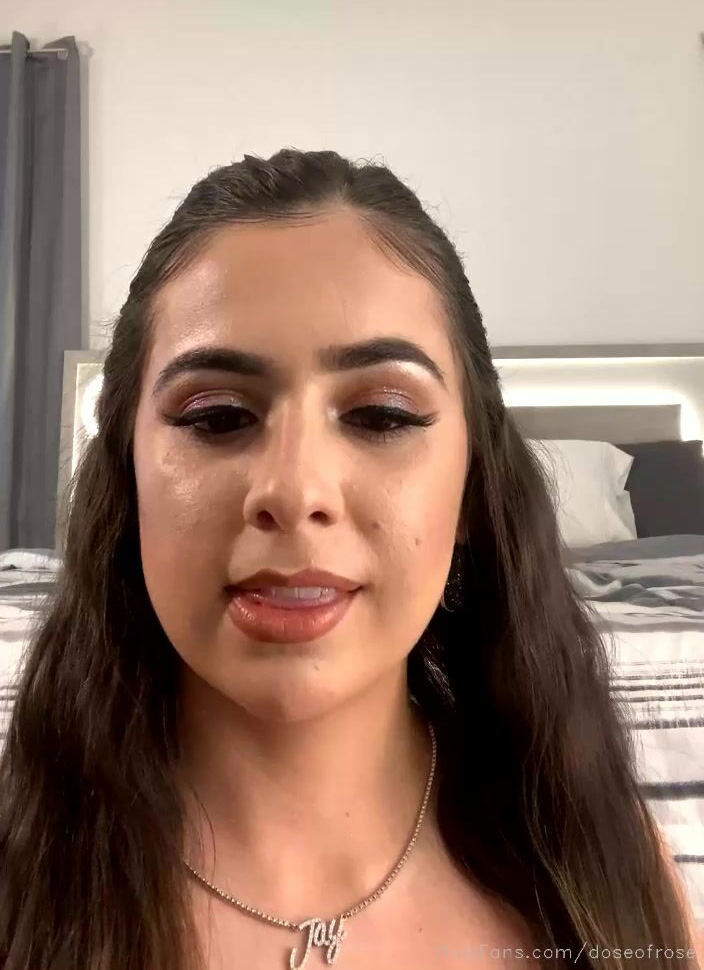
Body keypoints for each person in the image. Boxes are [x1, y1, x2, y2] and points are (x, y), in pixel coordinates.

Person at [0, 148, 700, 970]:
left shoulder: (601, 867)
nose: (296, 491)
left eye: (382, 416)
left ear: (473, 490)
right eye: (218, 416)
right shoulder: (23, 880)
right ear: (126, 476)